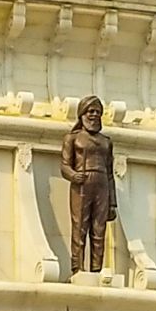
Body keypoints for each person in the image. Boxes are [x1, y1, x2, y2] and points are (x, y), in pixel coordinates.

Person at [61, 95, 117, 273]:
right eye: (90, 111)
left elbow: (110, 173)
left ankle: (96, 270)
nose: (94, 115)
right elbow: (64, 165)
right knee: (80, 227)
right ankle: (77, 268)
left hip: (102, 185)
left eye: (98, 112)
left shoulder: (106, 142)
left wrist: (113, 202)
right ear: (82, 114)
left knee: (99, 229)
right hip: (82, 184)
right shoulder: (73, 138)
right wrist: (73, 175)